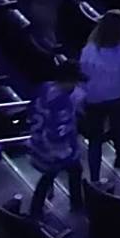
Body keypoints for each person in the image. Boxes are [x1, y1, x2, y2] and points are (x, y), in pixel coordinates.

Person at [78, 10, 120, 186]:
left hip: (93, 99)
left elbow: (82, 77)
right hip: (117, 98)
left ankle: (95, 179)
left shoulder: (88, 50)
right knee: (118, 130)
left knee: (95, 140)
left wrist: (81, 99)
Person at [25, 54, 86, 221]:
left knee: (67, 172)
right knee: (53, 175)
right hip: (55, 150)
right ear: (69, 79)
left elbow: (30, 112)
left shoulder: (44, 87)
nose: (77, 84)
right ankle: (37, 212)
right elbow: (59, 133)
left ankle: (75, 203)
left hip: (37, 141)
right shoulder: (63, 103)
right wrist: (69, 151)